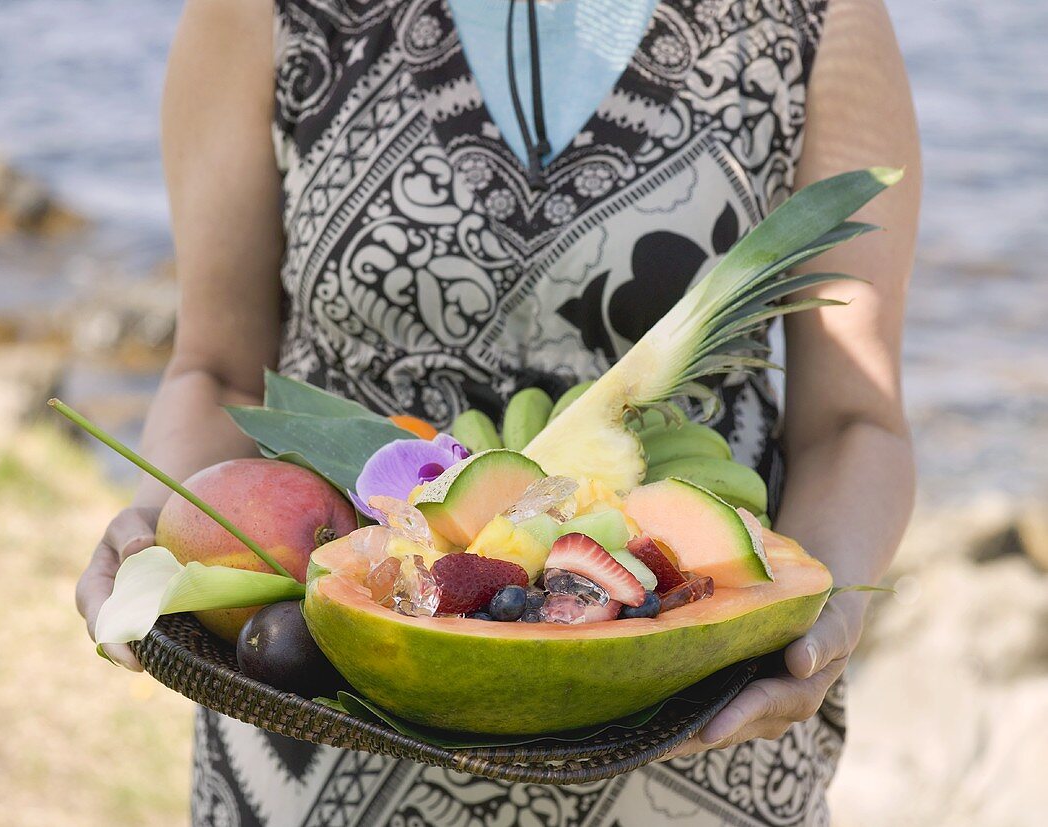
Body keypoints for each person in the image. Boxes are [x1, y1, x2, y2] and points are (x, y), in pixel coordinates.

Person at [76, 0, 920, 823]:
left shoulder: (816, 16)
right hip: (323, 738)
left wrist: (822, 607)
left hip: (694, 740)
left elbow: (854, 419)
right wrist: (165, 527)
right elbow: (217, 367)